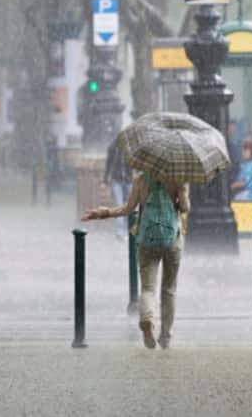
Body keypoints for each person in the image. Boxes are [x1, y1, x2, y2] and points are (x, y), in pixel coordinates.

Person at [82, 172, 189, 349]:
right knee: (169, 289)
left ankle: (147, 319)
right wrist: (182, 191)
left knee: (148, 288)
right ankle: (166, 337)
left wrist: (104, 213)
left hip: (146, 239)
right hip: (172, 240)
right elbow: (185, 208)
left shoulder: (141, 179)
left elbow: (128, 208)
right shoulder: (178, 177)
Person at [103, 140, 133, 241]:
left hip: (128, 180)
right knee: (119, 205)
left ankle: (127, 230)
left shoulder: (131, 148)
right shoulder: (113, 147)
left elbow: (135, 164)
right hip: (117, 180)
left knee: (128, 206)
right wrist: (105, 179)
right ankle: (120, 232)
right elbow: (109, 163)